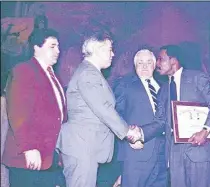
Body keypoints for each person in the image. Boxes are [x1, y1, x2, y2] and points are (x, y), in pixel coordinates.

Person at [56, 30, 141, 187]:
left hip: (85, 147)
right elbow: (103, 108)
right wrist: (127, 131)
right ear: (97, 50)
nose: (113, 54)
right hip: (82, 147)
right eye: (109, 49)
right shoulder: (88, 74)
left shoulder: (90, 72)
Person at [132, 45, 210, 187]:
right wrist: (140, 132)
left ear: (173, 60)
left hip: (200, 150)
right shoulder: (163, 89)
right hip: (174, 156)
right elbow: (161, 121)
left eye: (161, 59)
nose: (157, 64)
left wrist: (205, 131)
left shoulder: (197, 78)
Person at [2, 28, 66, 187]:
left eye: (58, 46)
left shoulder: (53, 76)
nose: (58, 50)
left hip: (48, 157)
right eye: (52, 46)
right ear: (37, 47)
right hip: (27, 158)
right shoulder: (24, 71)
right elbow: (18, 112)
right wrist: (29, 147)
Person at [113, 49, 167, 187]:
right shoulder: (124, 84)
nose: (144, 66)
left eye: (148, 62)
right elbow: (116, 115)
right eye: (140, 63)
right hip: (137, 151)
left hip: (163, 154)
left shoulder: (165, 86)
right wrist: (129, 137)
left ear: (154, 65)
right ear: (134, 65)